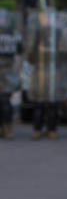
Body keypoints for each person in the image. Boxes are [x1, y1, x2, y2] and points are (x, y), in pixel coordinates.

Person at [25, 8, 67, 140]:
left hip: (54, 71)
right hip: (40, 71)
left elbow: (65, 53)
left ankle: (52, 129)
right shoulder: (37, 33)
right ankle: (37, 129)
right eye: (44, 17)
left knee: (53, 103)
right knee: (38, 103)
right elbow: (30, 54)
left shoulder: (60, 33)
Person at [0, 8, 23, 139]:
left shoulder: (13, 34)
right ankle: (6, 128)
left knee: (4, 100)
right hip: (8, 70)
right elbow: (21, 49)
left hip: (7, 70)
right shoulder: (13, 34)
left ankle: (6, 128)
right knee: (5, 100)